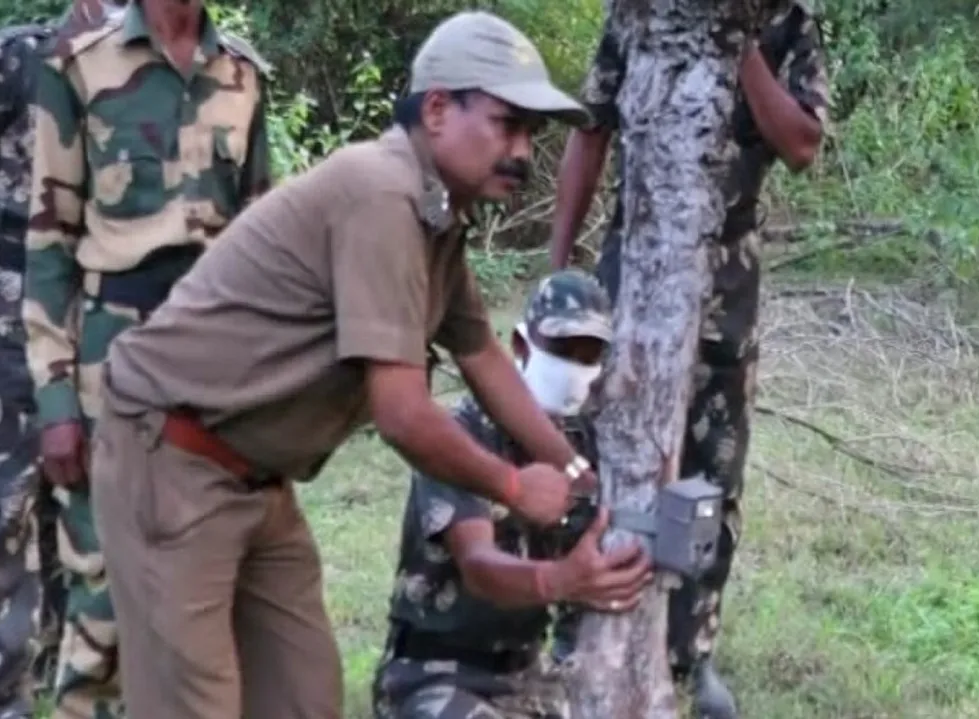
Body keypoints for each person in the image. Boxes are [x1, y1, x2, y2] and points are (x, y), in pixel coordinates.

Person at [87, 10, 598, 718]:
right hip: (169, 456)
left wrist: (575, 471)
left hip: (257, 478)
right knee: (192, 705)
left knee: (302, 697)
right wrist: (514, 483)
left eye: (531, 134)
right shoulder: (380, 194)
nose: (520, 150)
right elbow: (402, 413)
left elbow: (480, 352)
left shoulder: (437, 216)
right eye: (507, 123)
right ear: (440, 109)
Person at [547, 2, 832, 716]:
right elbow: (592, 130)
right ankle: (574, 626)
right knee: (598, 448)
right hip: (635, 257)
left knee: (712, 470)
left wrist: (740, 49)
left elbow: (800, 144)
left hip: (726, 279)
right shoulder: (643, 10)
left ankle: (689, 650)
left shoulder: (787, 19)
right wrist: (560, 264)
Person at [21, 0, 273, 715]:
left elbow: (264, 238)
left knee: (210, 574)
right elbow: (47, 249)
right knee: (103, 586)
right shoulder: (79, 66)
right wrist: (56, 399)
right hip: (114, 354)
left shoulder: (244, 74)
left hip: (216, 359)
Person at [371, 268, 652, 719]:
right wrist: (562, 580)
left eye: (590, 354)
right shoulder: (460, 439)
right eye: (562, 350)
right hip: (438, 674)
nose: (575, 368)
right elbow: (479, 567)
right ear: (521, 345)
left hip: (532, 676)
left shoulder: (586, 445)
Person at [0, 3, 125, 714]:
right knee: (2, 520)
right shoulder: (19, 60)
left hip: (99, 337)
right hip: (6, 333)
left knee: (91, 524)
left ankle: (80, 689)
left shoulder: (140, 80)